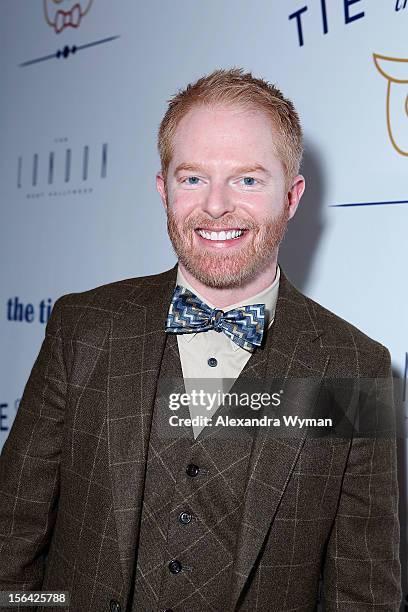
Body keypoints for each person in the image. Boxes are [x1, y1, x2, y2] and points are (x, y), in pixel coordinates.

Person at [0, 68, 402, 612]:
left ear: (292, 196)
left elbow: (365, 591)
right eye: (193, 178)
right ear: (163, 190)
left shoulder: (354, 365)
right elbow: (12, 536)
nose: (215, 206)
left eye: (248, 179)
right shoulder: (85, 327)